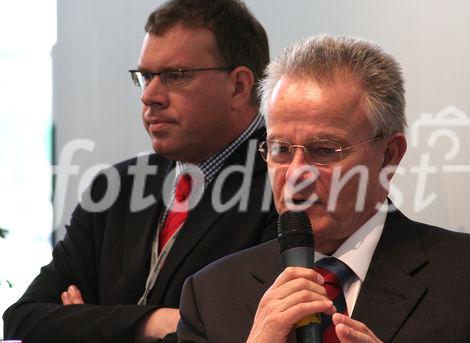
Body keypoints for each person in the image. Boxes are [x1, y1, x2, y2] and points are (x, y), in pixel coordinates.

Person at [177, 35, 470, 342]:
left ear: (389, 156)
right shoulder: (212, 295)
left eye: (324, 150)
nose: (296, 175)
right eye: (281, 150)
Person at [3, 0, 277, 342]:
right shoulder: (115, 187)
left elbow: (235, 334)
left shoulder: (286, 188)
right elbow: (22, 318)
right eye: (146, 76)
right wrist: (155, 322)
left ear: (238, 86)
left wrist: (88, 323)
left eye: (176, 76)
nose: (150, 96)